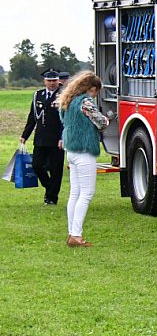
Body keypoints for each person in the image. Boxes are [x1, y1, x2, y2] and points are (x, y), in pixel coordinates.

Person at [57, 71, 109, 247]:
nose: (95, 95)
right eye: (96, 91)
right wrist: (108, 118)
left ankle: (72, 232)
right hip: (84, 151)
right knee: (86, 193)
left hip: (71, 151)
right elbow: (101, 122)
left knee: (75, 193)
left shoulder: (68, 101)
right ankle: (76, 235)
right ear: (91, 88)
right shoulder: (86, 102)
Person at [20, 68, 64, 205]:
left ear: (58, 81)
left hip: (57, 139)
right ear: (44, 81)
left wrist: (63, 137)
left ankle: (51, 197)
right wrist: (25, 135)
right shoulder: (38, 95)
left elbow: (66, 120)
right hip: (41, 137)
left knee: (56, 169)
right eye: (49, 81)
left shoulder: (64, 95)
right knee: (37, 165)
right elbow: (32, 117)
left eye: (54, 80)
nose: (52, 83)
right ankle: (50, 187)